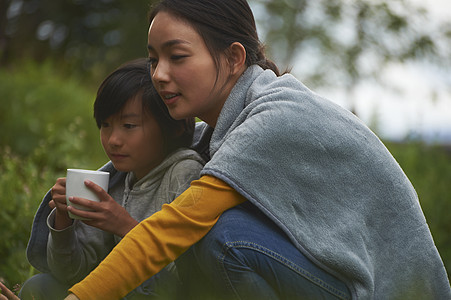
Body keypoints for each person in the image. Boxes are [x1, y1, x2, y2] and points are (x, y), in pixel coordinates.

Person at [64, 0, 450, 299]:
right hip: (340, 276)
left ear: (233, 58)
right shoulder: (230, 121)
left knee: (223, 238)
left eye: (177, 56)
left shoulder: (273, 118)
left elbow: (174, 227)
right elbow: (133, 169)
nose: (159, 74)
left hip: (389, 290)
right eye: (153, 60)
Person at [22, 58, 204, 299]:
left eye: (129, 125)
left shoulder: (185, 173)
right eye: (105, 125)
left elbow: (189, 277)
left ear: (173, 126)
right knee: (40, 286)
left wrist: (123, 225)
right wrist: (63, 221)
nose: (113, 140)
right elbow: (70, 273)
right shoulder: (117, 180)